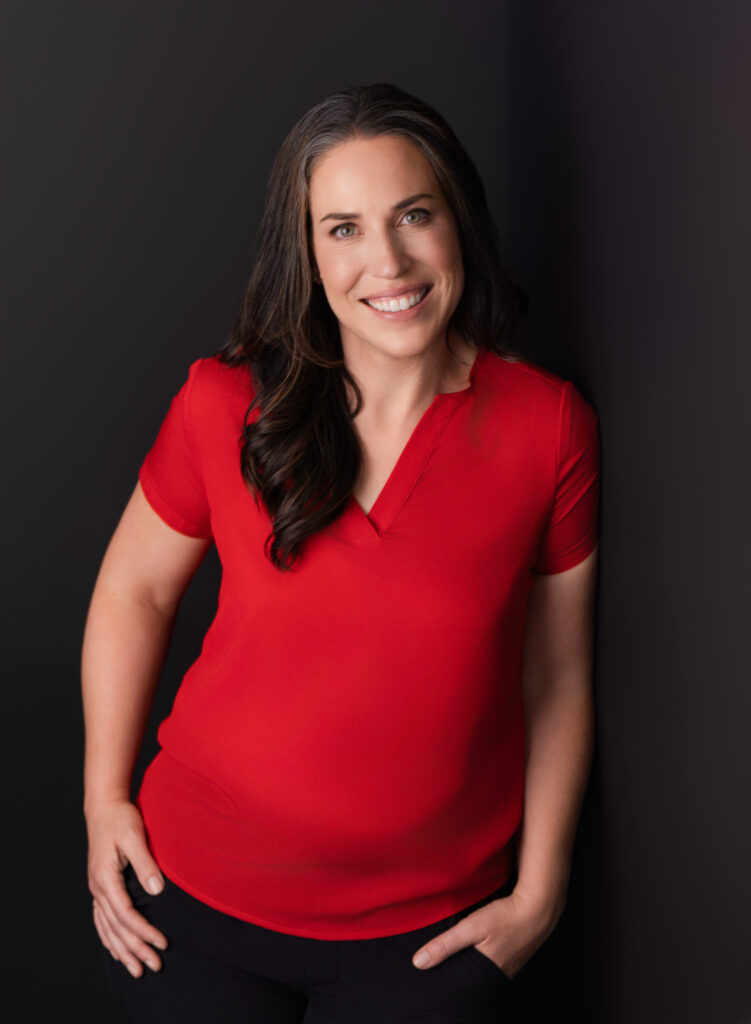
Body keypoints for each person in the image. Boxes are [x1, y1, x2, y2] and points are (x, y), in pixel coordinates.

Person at [82, 82, 600, 1023]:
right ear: (308, 253)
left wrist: (541, 891)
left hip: (432, 935)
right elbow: (134, 594)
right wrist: (102, 800)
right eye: (344, 229)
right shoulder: (222, 402)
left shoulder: (547, 425)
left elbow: (556, 674)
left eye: (413, 215)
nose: (388, 261)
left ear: (458, 225)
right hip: (191, 903)